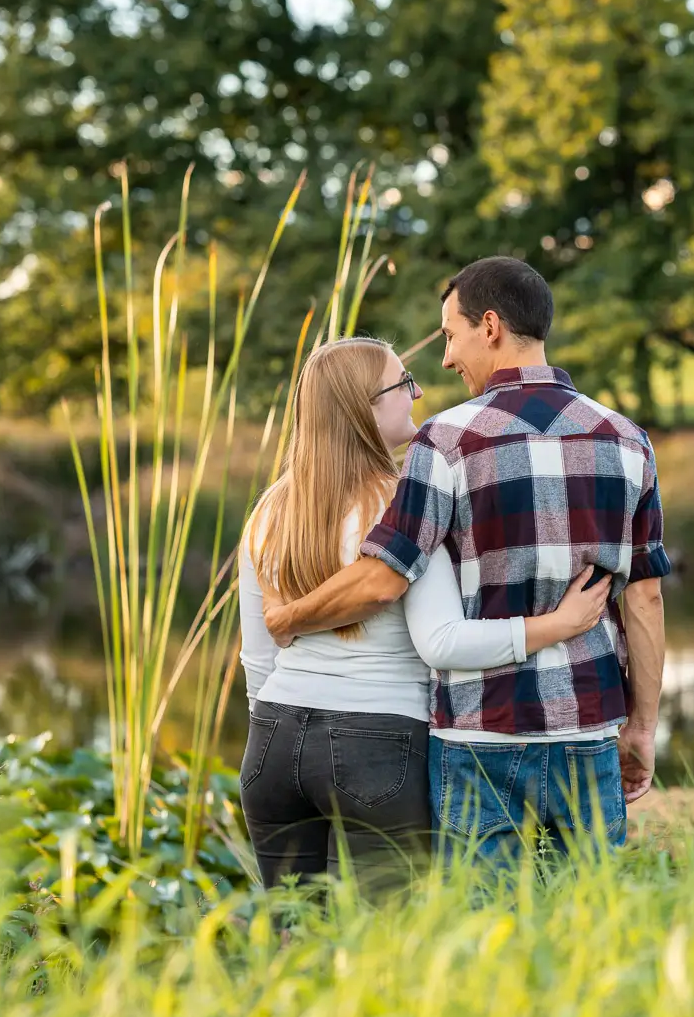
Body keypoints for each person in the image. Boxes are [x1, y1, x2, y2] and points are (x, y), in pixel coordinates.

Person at [264, 257, 670, 867]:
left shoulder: (446, 440)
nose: (447, 359)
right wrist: (641, 727)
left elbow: (382, 577)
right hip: (587, 727)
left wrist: (289, 617)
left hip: (479, 735)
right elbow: (645, 598)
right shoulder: (625, 438)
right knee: (591, 921)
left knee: (480, 931)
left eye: (450, 336)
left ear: (490, 326)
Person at [238, 335, 612, 897]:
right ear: (364, 406)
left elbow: (257, 655)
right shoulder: (405, 503)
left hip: (272, 742)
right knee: (392, 945)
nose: (417, 394)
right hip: (378, 742)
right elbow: (441, 640)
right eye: (401, 385)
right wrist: (557, 625)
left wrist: (283, 734)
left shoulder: (271, 507)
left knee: (295, 937)